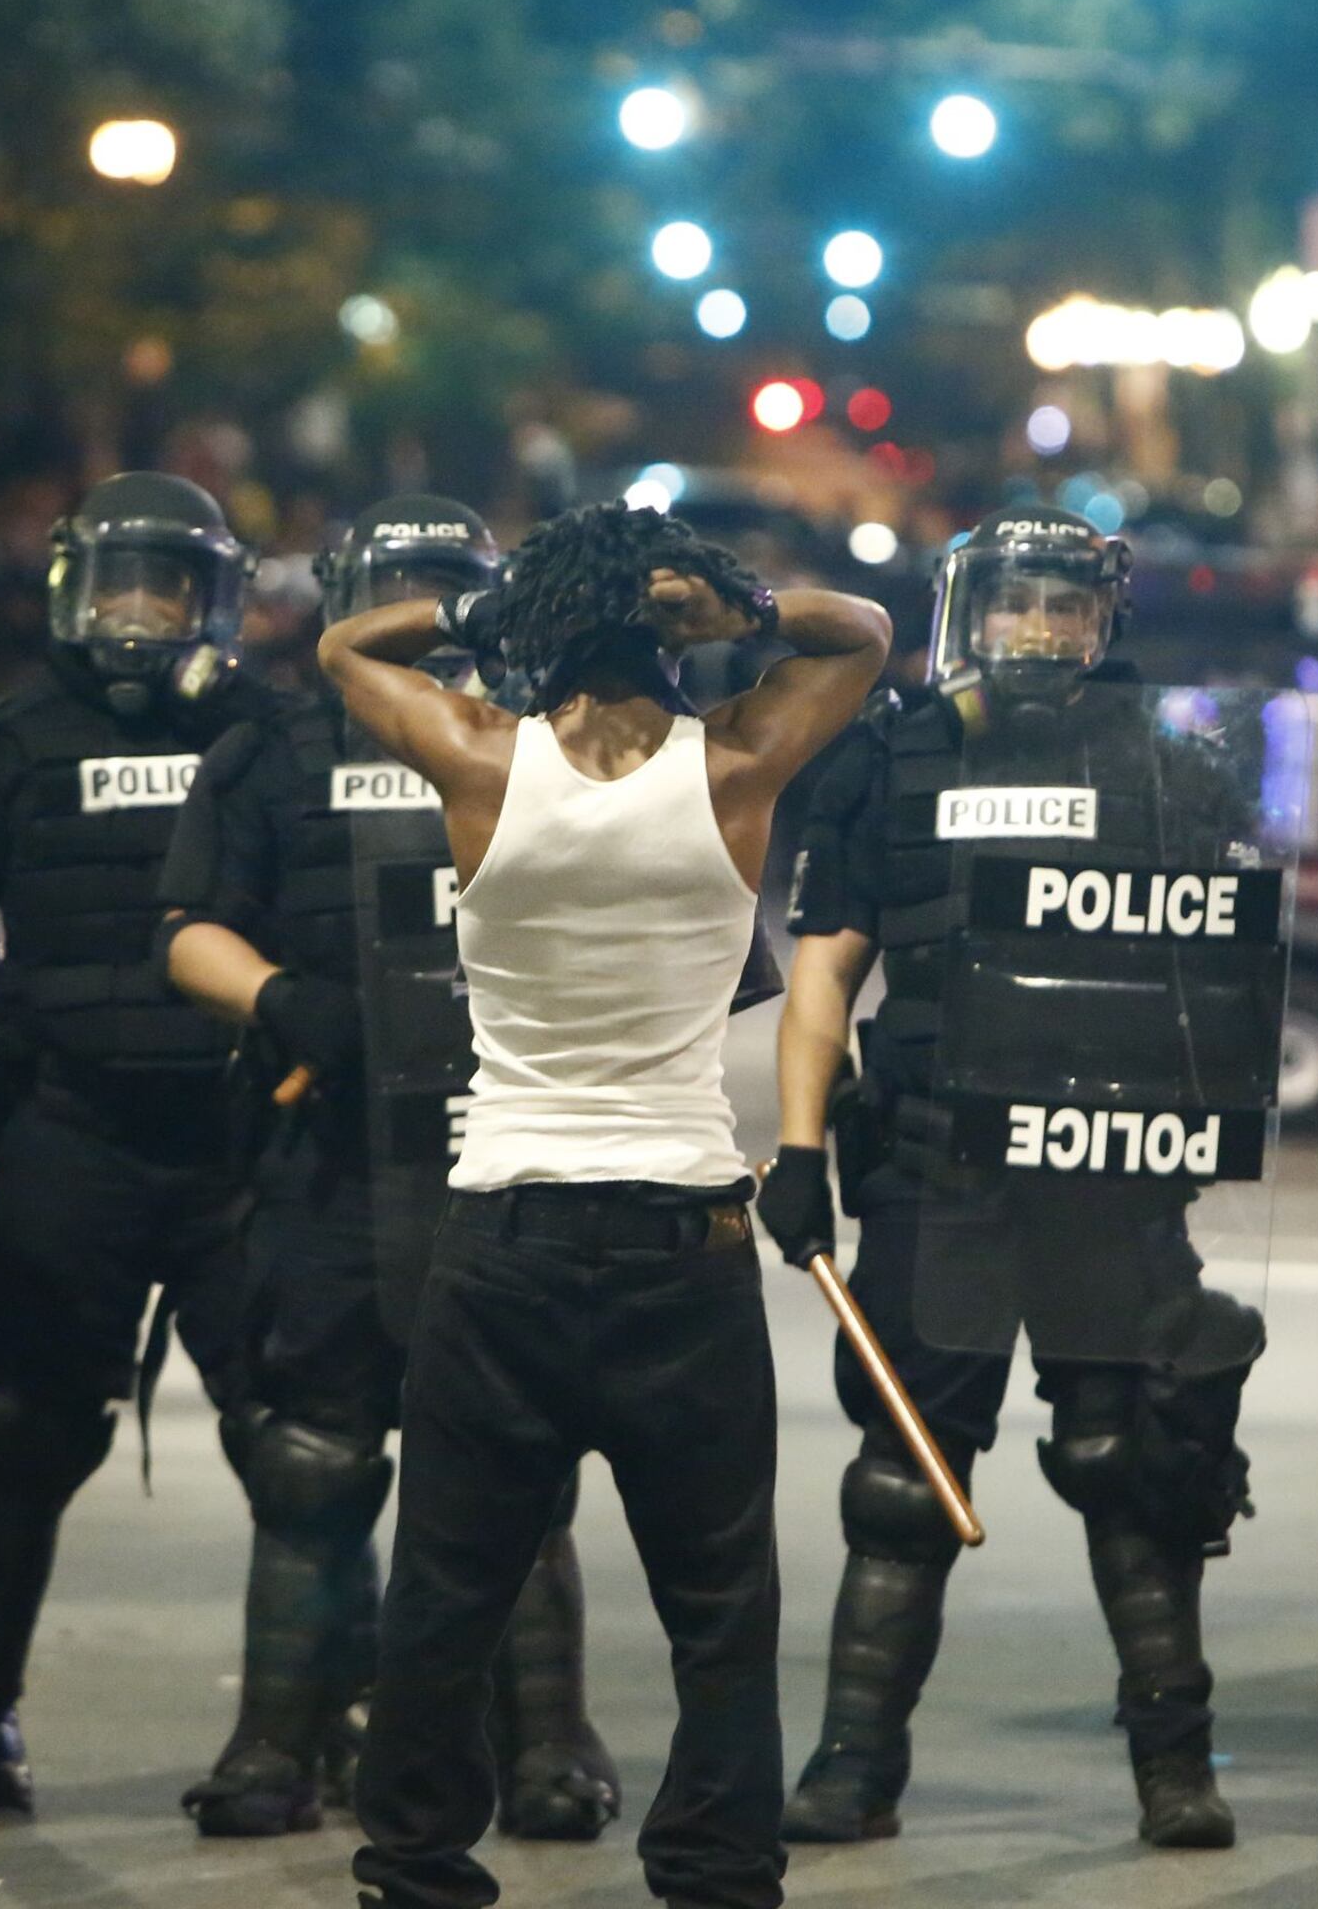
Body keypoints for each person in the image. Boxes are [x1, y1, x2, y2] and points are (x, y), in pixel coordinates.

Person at [328, 502, 887, 1909]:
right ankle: (711, 1878)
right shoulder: (740, 767)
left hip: (502, 1247)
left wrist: (492, 602)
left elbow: (343, 642)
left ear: (540, 644)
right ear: (670, 634)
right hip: (678, 1255)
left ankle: (414, 1872)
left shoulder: (475, 757)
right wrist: (740, 608)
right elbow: (869, 633)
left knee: (445, 1602)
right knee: (720, 1617)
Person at [756, 504, 1271, 1850]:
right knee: (900, 1480)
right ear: (969, 615)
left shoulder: (1172, 763)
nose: (1041, 630)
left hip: (1109, 1175)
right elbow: (825, 969)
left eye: (1068, 607)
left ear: (1106, 626)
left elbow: (1224, 966)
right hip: (938, 1166)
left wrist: (1201, 1124)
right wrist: (801, 1148)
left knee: (1132, 1465)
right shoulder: (892, 752)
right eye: (1018, 603)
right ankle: (854, 1767)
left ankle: (1177, 1766)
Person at [155, 497, 622, 1841]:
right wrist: (279, 1002)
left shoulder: (548, 745)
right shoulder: (273, 745)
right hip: (335, 1154)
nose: (421, 625)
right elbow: (187, 927)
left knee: (517, 1468)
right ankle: (274, 1745)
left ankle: (547, 1742)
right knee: (314, 1464)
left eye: (445, 596)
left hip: (504, 1156)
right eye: (394, 596)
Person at [0, 471, 263, 1815]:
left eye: (165, 586)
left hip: (243, 1137)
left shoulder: (269, 735)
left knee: (296, 1441)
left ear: (210, 600)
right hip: (68, 1131)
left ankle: (308, 1719)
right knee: (32, 1434)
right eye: (116, 583)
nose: (137, 612)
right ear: (69, 588)